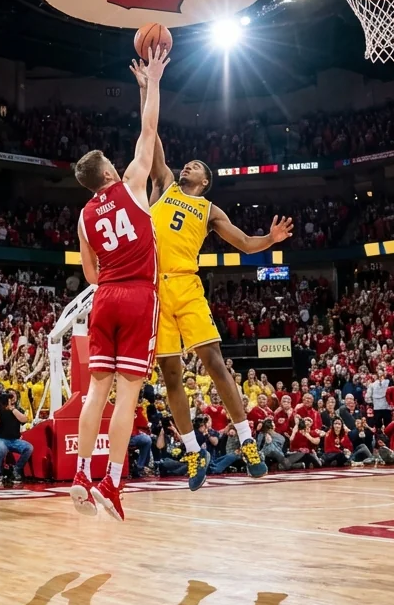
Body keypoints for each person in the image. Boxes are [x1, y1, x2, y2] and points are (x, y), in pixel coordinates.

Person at [136, 59, 289, 496]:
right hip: (154, 289)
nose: (187, 166)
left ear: (207, 180)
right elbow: (152, 136)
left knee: (215, 364)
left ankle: (246, 441)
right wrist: (148, 88)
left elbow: (244, 243)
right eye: (186, 164)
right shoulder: (164, 184)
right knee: (168, 375)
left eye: (195, 166)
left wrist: (271, 238)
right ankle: (191, 450)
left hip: (185, 284)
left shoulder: (210, 210)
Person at [67, 46, 167, 522]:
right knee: (127, 396)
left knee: (94, 394)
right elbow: (149, 131)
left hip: (103, 298)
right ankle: (113, 479)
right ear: (108, 172)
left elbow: (89, 274)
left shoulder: (84, 217)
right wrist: (153, 83)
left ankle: (81, 474)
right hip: (137, 294)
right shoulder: (130, 182)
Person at [0, 390, 33, 484]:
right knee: (1, 449)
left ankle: (16, 469)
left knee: (28, 447)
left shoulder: (17, 409)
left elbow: (24, 419)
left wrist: (12, 409)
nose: (11, 398)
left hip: (14, 440)